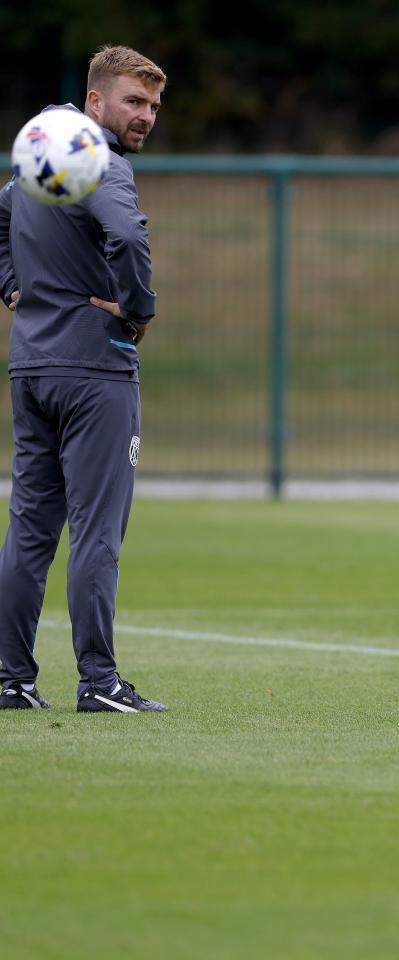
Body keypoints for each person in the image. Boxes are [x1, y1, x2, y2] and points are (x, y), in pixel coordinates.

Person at [0, 45, 168, 712]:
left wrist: (13, 288)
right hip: (95, 367)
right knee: (98, 530)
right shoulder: (103, 164)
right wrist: (139, 311)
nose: (146, 115)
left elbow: (0, 217)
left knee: (29, 530)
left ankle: (11, 679)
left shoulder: (38, 152)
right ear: (95, 101)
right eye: (134, 100)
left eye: (154, 105)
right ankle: (99, 683)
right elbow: (127, 240)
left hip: (33, 364)